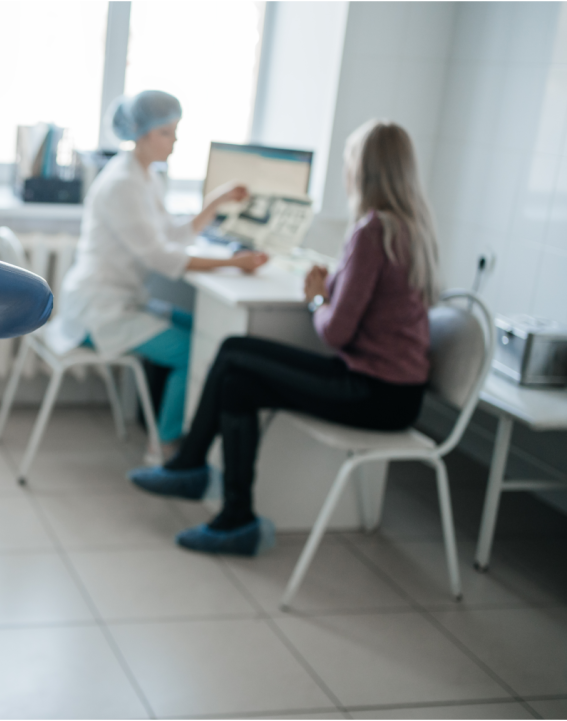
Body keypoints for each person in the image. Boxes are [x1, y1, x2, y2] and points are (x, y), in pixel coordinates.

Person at [128, 119, 441, 556]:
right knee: (237, 375)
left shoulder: (372, 231)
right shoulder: (411, 229)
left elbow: (336, 331)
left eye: (350, 163)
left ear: (363, 171)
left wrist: (317, 298)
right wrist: (335, 285)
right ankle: (225, 506)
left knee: (235, 355)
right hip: (397, 392)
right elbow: (378, 303)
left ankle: (196, 471)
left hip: (372, 391)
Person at [47, 90, 268, 447]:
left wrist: (215, 202)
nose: (175, 140)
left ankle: (175, 437)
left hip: (124, 300)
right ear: (141, 132)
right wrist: (233, 262)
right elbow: (161, 258)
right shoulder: (122, 184)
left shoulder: (145, 176)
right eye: (167, 132)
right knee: (193, 351)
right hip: (99, 311)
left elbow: (171, 235)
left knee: (203, 329)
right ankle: (168, 445)